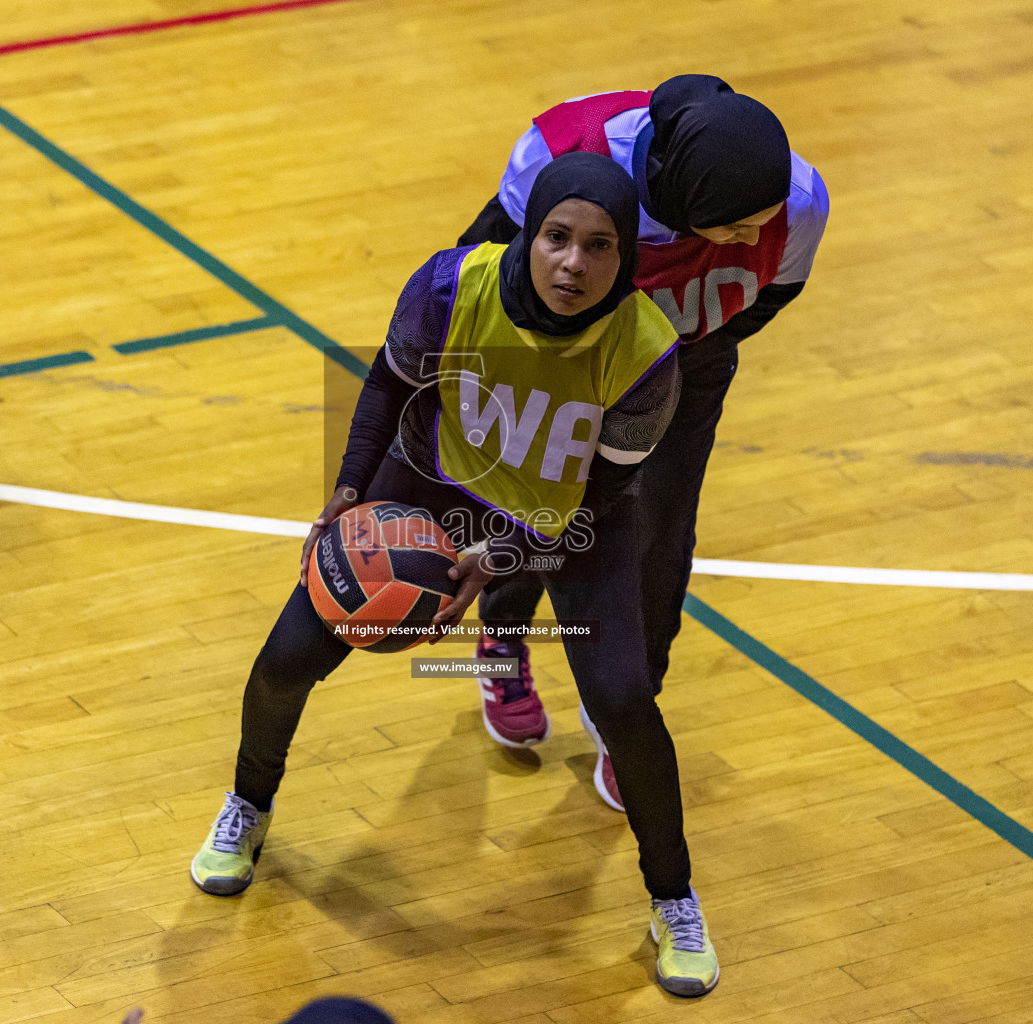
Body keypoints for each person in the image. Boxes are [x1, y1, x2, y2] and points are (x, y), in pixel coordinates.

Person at [191, 153, 722, 997]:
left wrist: (499, 560)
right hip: (433, 483)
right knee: (286, 659)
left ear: (627, 261)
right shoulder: (448, 287)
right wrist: (348, 492)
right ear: (528, 233)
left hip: (572, 520)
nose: (574, 264)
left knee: (624, 701)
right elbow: (384, 386)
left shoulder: (649, 356)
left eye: (599, 247)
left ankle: (674, 897)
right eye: (556, 237)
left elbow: (603, 494)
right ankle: (249, 807)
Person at [458, 75, 829, 809]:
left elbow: (772, 295)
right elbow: (478, 260)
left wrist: (668, 353)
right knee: (542, 514)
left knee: (661, 538)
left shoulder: (799, 200)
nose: (754, 237)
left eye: (763, 222)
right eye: (735, 227)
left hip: (681, 371)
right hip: (559, 362)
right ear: (689, 201)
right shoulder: (565, 152)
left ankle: (627, 711)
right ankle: (501, 637)